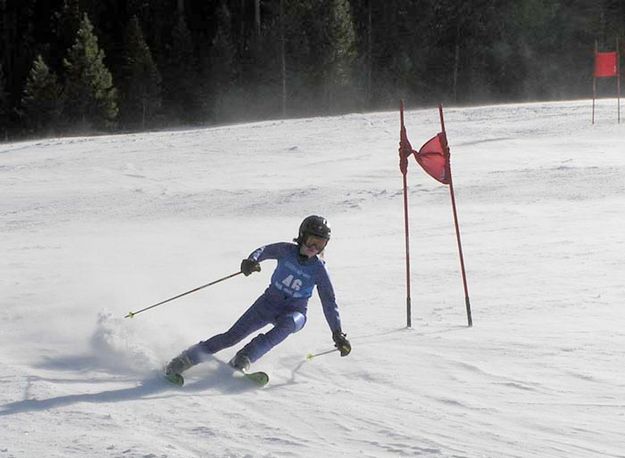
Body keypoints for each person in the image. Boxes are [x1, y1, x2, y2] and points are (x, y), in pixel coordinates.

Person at [165, 215, 351, 379]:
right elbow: (264, 250)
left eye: (320, 244)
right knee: (231, 337)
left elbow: (329, 302)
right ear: (302, 236)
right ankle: (187, 358)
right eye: (312, 241)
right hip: (268, 303)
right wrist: (251, 261)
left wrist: (337, 333)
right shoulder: (286, 251)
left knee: (289, 324)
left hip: (295, 310)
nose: (314, 247)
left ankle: (245, 357)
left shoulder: (319, 269)